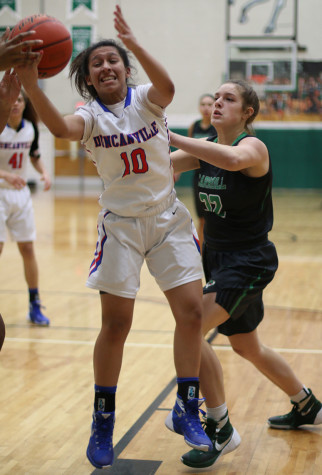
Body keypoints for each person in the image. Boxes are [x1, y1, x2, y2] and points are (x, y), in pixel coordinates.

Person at [14, 5, 213, 469]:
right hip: (120, 227)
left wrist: (135, 41)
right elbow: (61, 129)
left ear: (126, 69)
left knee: (190, 313)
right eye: (96, 64)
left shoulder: (146, 98)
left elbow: (169, 88)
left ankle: (187, 406)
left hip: (167, 219)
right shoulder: (89, 116)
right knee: (117, 325)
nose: (105, 66)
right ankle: (103, 418)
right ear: (86, 79)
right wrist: (28, 85)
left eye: (113, 60)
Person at [169, 79, 322, 469]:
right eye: (215, 97)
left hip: (249, 261)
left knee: (191, 327)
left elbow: (232, 161)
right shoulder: (204, 151)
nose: (218, 103)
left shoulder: (252, 148)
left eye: (228, 99)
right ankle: (307, 405)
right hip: (218, 259)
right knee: (246, 346)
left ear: (247, 113)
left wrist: (169, 135)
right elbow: (163, 165)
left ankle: (220, 426)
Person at [0, 89, 51, 325]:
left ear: (24, 103)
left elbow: (34, 155)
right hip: (0, 192)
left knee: (28, 249)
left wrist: (44, 172)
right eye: (12, 99)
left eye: (19, 99)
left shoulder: (30, 128)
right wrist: (7, 176)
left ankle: (34, 304)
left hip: (20, 195)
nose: (16, 103)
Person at [187, 93, 216, 252]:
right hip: (199, 177)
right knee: (202, 218)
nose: (206, 108)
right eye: (203, 104)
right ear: (199, 107)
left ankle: (215, 249)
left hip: (215, 176)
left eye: (209, 104)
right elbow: (188, 151)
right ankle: (201, 251)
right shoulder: (194, 126)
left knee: (215, 218)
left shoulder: (217, 127)